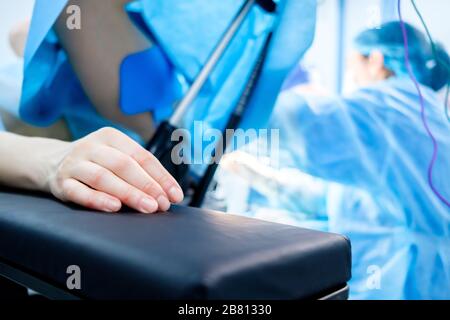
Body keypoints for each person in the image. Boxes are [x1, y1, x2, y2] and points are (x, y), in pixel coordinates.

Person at [221, 21, 450, 299]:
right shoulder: (423, 111)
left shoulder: (391, 106)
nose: (351, 76)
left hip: (400, 277)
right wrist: (256, 174)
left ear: (376, 60)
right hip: (419, 272)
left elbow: (296, 124)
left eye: (352, 65)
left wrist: (218, 115)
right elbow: (338, 200)